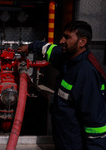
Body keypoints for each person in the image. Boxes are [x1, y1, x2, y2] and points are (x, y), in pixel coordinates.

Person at [18, 21, 106, 150]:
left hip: (74, 143)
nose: (61, 41)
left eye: (67, 37)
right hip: (63, 138)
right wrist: (30, 47)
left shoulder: (86, 73)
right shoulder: (68, 57)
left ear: (82, 42)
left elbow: (95, 124)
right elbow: (49, 49)